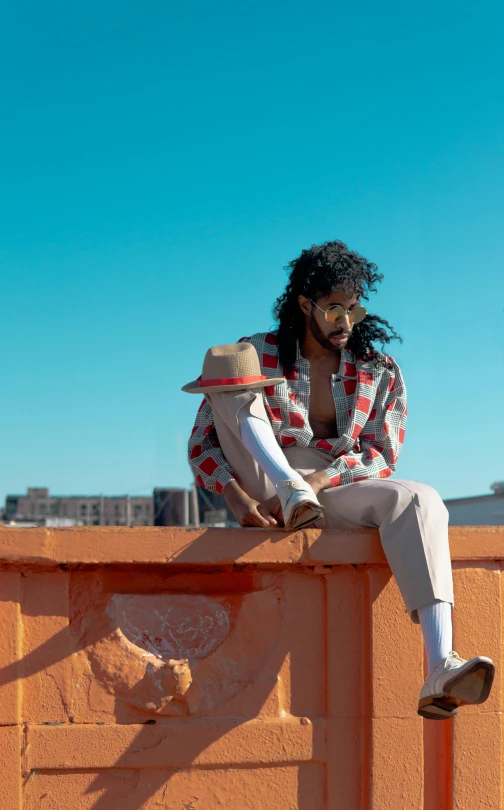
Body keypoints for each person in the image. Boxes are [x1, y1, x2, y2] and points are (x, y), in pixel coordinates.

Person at [183, 239, 494, 720]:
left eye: (354, 309)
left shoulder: (378, 368)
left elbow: (382, 453)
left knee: (420, 499)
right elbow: (203, 443)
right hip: (265, 479)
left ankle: (439, 666)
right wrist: (235, 496)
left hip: (331, 489)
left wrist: (323, 479)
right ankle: (290, 489)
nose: (345, 322)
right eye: (333, 309)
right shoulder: (257, 351)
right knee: (233, 371)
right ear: (305, 304)